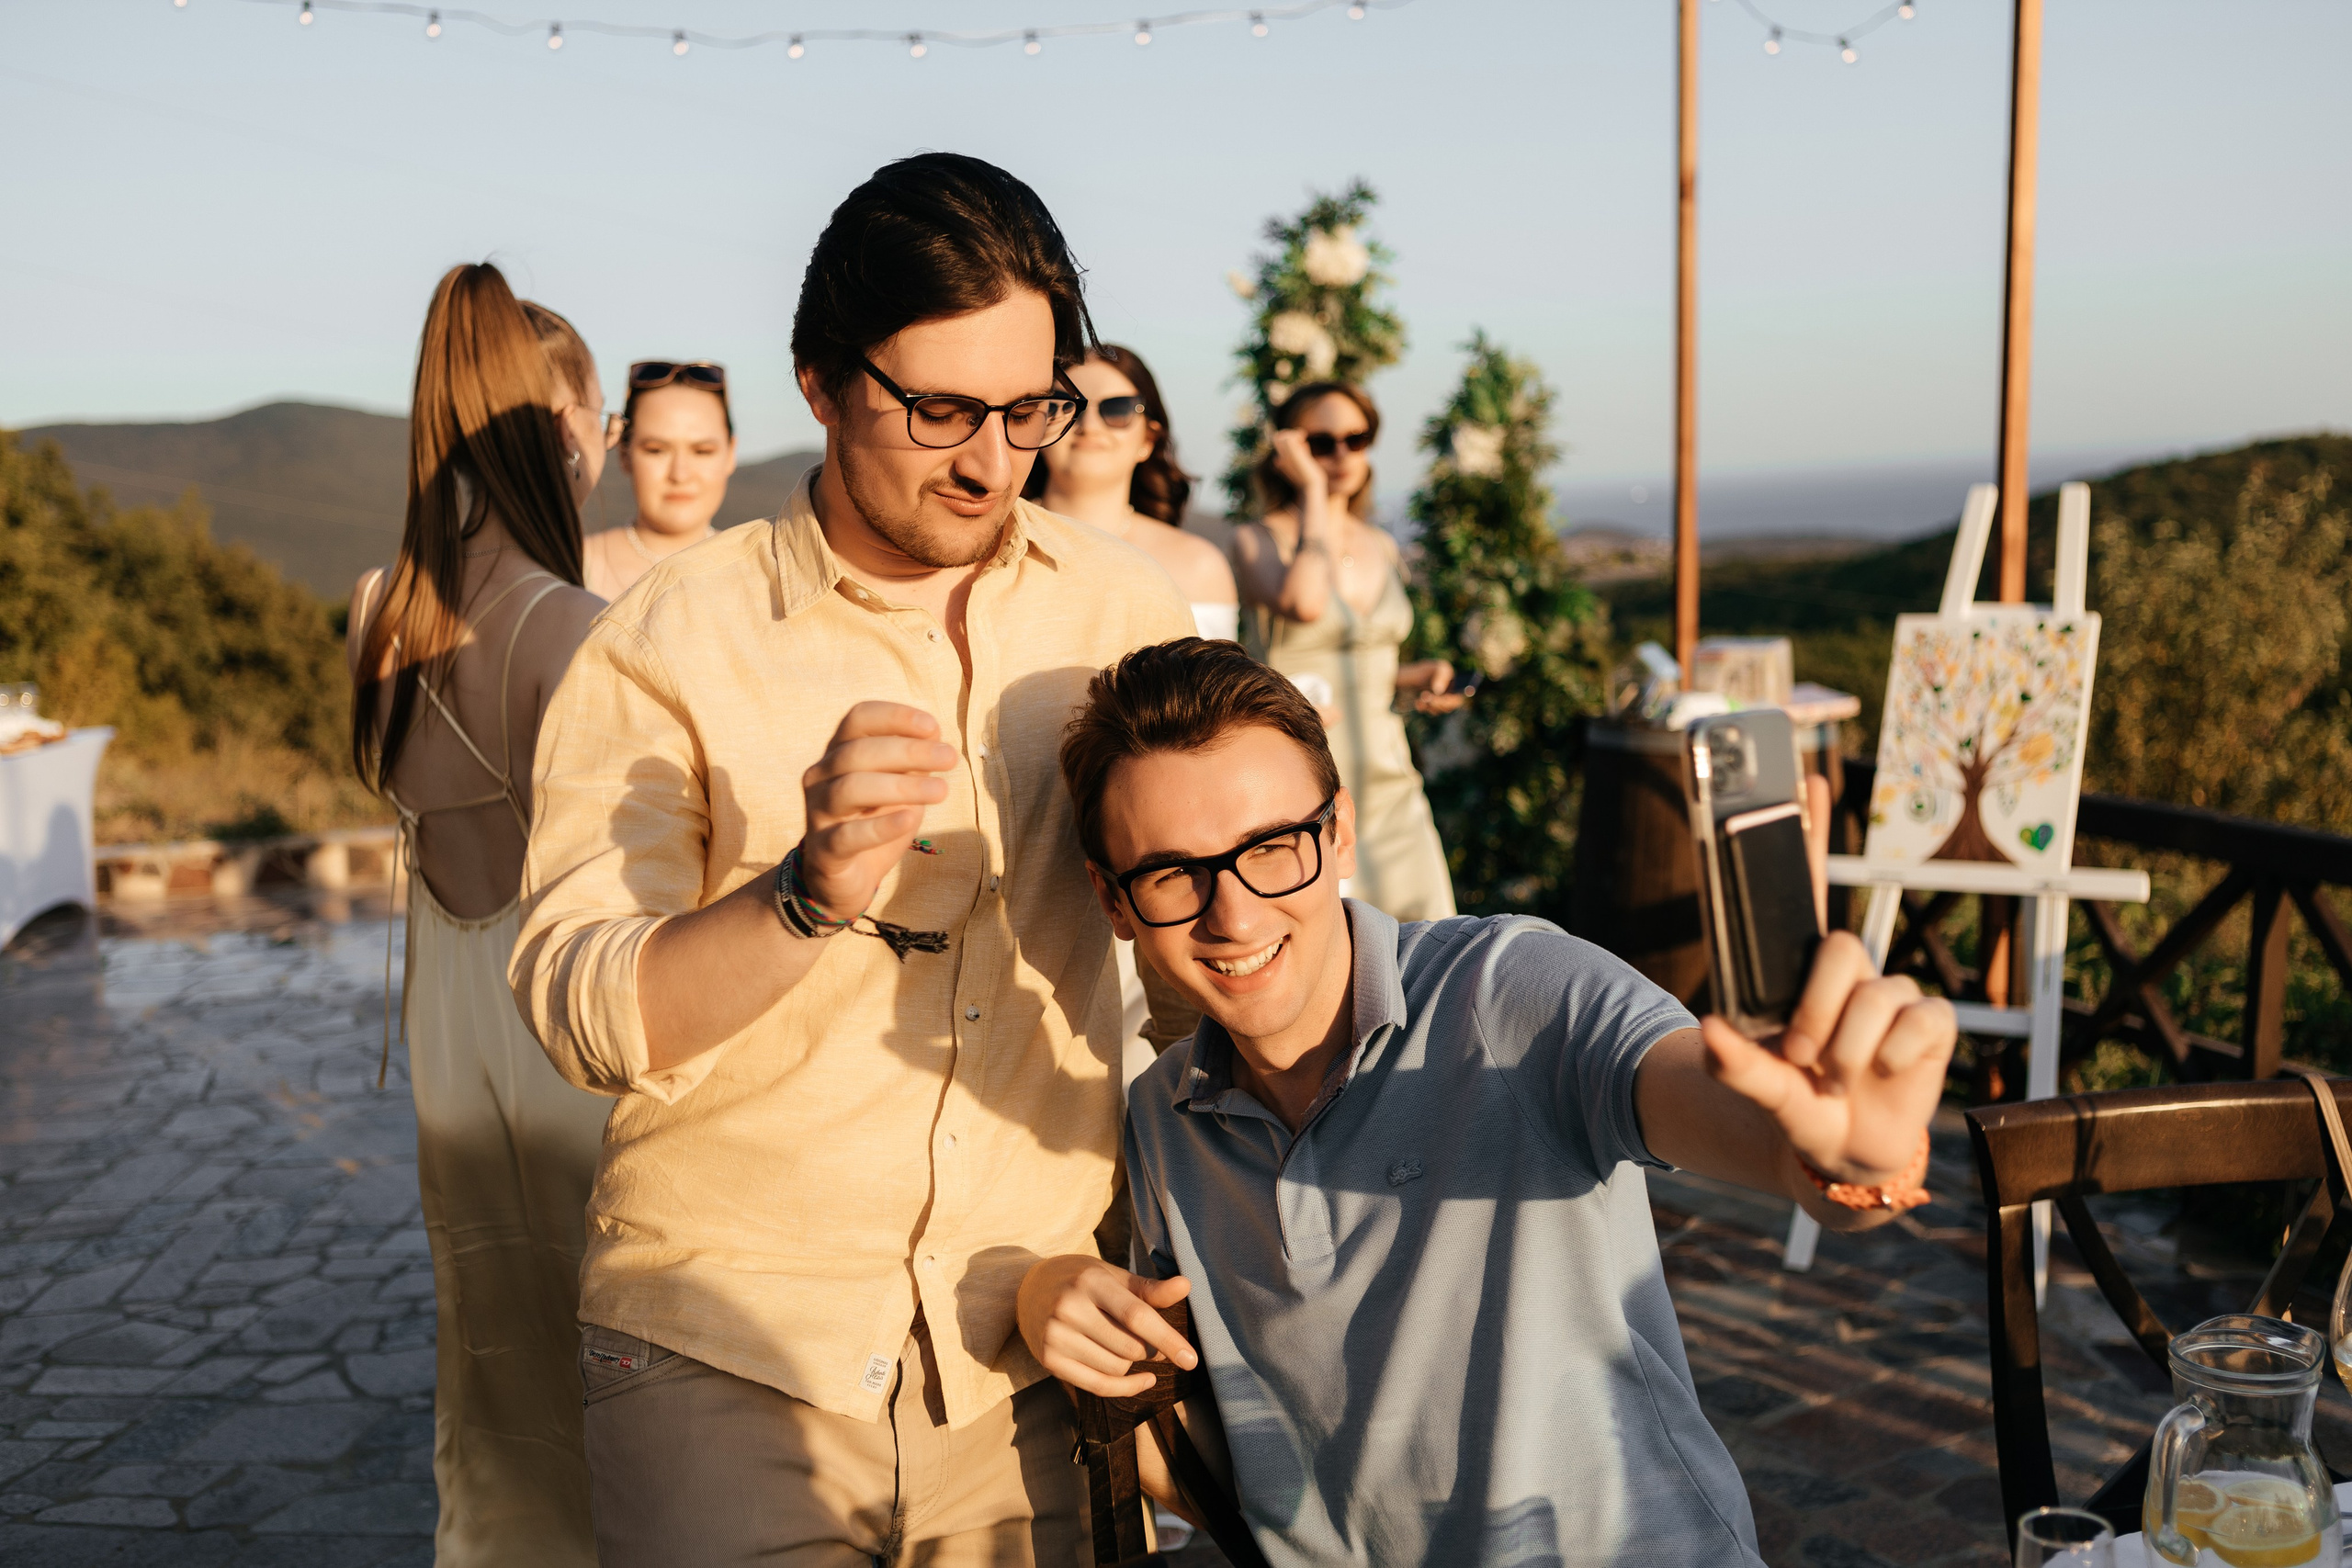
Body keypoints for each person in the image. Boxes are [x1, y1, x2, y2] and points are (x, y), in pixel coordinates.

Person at [508, 153, 1198, 1567]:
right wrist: (800, 895)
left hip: (1029, 1354)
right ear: (820, 383)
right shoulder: (666, 636)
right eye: (941, 407)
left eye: (1029, 408)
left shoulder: (1127, 613)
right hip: (727, 1340)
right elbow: (584, 1007)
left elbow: (1223, 966)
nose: (992, 458)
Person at [1017, 637, 1958, 1568]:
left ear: (1339, 831)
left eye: (1270, 848)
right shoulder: (1160, 1126)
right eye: (1173, 874)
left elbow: (1688, 1094)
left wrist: (1849, 1161)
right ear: (1113, 899)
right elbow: (1219, 1461)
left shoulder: (1508, 989)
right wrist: (1042, 1298)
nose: (1234, 914)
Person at [345, 262, 611, 1568]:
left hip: (450, 1034)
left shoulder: (372, 617)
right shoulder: (571, 629)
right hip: (562, 1035)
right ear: (563, 432)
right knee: (619, 1362)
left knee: (492, 1353)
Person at [1231, 382, 1463, 922]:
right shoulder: (1257, 540)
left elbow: (1363, 666)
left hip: (1390, 780)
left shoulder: (1379, 543)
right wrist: (1312, 493)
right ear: (1287, 449)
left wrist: (1418, 677)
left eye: (1355, 439)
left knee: (1430, 951)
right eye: (1321, 442)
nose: (1340, 455)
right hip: (1305, 790)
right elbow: (1306, 604)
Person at [1028, 343, 1238, 641]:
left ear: (1149, 439)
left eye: (1118, 409)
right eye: (1066, 405)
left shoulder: (1197, 568)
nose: (1089, 425)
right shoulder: (986, 542)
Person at [581, 359, 740, 603]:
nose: (680, 474)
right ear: (624, 454)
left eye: (702, 451)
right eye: (656, 450)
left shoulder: (766, 569)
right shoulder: (575, 567)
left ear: (731, 454)